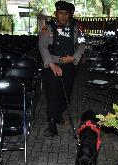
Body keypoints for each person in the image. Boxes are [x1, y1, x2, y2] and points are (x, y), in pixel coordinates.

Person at [38, 1, 85, 137]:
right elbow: (42, 46)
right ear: (56, 14)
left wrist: (74, 58)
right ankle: (51, 123)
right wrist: (52, 64)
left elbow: (82, 45)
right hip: (52, 65)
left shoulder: (77, 28)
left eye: (66, 14)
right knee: (53, 94)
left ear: (69, 15)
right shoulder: (48, 28)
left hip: (69, 65)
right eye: (60, 13)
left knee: (66, 94)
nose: (63, 16)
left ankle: (58, 115)